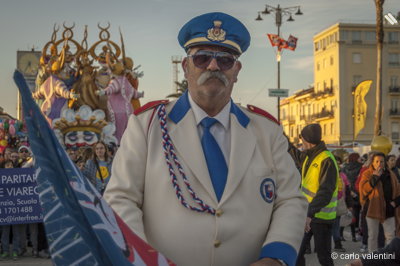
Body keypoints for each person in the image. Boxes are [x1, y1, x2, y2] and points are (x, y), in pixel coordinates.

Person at [104, 12, 307, 266]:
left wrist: (276, 257)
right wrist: (142, 260)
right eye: (201, 58)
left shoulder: (266, 131)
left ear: (236, 70)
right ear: (185, 67)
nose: (213, 66)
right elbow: (121, 198)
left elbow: (290, 200)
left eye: (225, 60)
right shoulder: (147, 126)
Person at [288, 123, 338, 266]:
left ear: (306, 140)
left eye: (301, 138)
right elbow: (291, 150)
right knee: (297, 254)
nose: (300, 142)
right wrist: (277, 131)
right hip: (307, 215)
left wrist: (309, 214)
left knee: (324, 258)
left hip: (321, 217)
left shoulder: (326, 159)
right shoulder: (308, 157)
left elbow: (325, 192)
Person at [359, 152, 400, 252]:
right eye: (376, 161)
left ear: (385, 162)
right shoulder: (367, 174)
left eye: (381, 161)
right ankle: (372, 259)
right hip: (372, 209)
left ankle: (389, 259)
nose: (379, 164)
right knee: (373, 236)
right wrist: (375, 177)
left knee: (390, 236)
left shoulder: (391, 175)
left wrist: (394, 203)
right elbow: (364, 190)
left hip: (388, 209)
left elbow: (398, 191)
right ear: (372, 163)